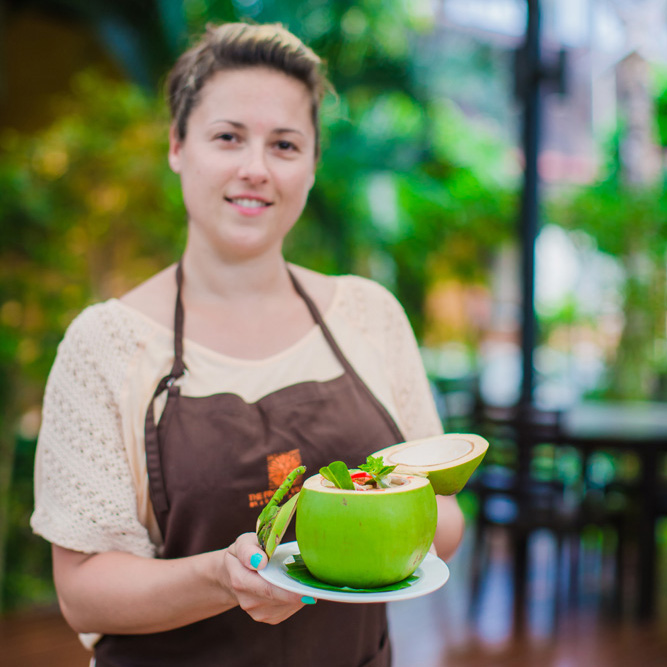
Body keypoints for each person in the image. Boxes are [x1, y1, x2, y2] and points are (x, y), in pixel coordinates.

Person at [31, 21, 464, 667]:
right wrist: (218, 577)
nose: (255, 168)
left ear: (313, 164)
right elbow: (84, 592)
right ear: (178, 146)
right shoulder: (106, 344)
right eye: (228, 137)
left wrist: (382, 523)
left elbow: (444, 516)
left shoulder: (369, 316)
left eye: (284, 145)